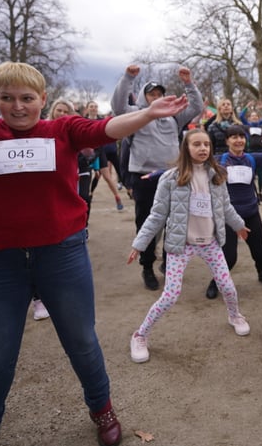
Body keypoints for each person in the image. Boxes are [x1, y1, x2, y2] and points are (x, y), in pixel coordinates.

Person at [0, 60, 192, 446]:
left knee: (81, 341)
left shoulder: (61, 130)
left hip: (62, 255)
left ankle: (102, 408)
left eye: (27, 98)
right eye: (8, 98)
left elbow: (103, 129)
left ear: (42, 100)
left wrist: (146, 113)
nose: (17, 106)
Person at [128, 129, 251, 364]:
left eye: (206, 144)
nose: (203, 148)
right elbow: (156, 215)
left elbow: (226, 208)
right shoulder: (170, 178)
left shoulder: (217, 175)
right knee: (170, 296)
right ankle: (140, 335)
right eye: (197, 144)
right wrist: (140, 244)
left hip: (210, 243)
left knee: (228, 286)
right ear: (186, 148)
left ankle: (235, 316)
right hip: (180, 245)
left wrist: (240, 226)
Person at [112, 65, 203, 291]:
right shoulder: (136, 115)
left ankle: (168, 261)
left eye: (159, 94)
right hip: (144, 177)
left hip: (172, 176)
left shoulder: (173, 118)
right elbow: (117, 106)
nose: (156, 97)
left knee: (174, 221)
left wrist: (189, 83)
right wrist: (128, 78)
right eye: (152, 94)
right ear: (143, 97)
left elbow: (197, 107)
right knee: (147, 223)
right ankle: (147, 267)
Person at [204, 124, 262, 298]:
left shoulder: (252, 159)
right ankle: (216, 280)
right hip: (228, 215)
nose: (238, 140)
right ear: (227, 141)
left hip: (251, 212)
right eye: (234, 137)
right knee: (229, 257)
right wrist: (158, 174)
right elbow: (189, 165)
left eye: (241, 136)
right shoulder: (218, 160)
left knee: (261, 253)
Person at [83, 101, 124, 211]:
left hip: (100, 152)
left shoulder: (102, 121)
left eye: (95, 106)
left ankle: (117, 197)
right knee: (86, 177)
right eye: (91, 106)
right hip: (86, 154)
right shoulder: (83, 121)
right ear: (87, 109)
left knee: (106, 177)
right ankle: (87, 196)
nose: (94, 108)